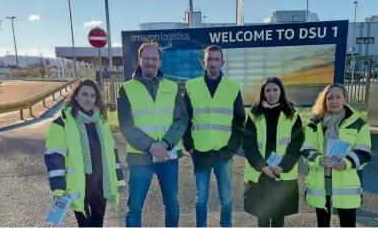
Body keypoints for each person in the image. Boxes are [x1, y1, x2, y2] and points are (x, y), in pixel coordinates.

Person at [117, 42, 188, 227]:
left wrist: (165, 144)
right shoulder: (127, 88)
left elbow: (181, 119)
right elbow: (125, 124)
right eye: (146, 58)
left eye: (154, 59)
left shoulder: (172, 87)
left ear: (160, 61)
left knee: (172, 205)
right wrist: (151, 146)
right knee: (135, 208)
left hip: (168, 156)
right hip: (140, 157)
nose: (150, 62)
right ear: (139, 60)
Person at [44, 79, 125, 227]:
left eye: (92, 96)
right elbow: (54, 158)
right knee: (85, 224)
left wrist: (119, 178)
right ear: (75, 96)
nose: (89, 99)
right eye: (85, 94)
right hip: (78, 183)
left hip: (100, 182)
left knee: (98, 223)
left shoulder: (101, 121)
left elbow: (111, 151)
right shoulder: (61, 123)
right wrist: (58, 187)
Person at [183, 45, 246, 227]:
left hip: (224, 153)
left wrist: (232, 148)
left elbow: (239, 120)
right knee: (201, 198)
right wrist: (190, 146)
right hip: (200, 152)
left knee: (226, 199)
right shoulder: (192, 86)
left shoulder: (232, 87)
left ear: (222, 62)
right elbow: (184, 119)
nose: (213, 63)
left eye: (216, 59)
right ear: (204, 62)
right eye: (209, 59)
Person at [300, 83, 372, 227]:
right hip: (321, 180)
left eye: (338, 97)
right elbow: (306, 149)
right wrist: (319, 159)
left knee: (348, 223)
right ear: (324, 101)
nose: (334, 101)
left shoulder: (358, 123)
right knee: (322, 223)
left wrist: (348, 162)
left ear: (345, 98)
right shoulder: (314, 123)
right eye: (330, 98)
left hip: (346, 180)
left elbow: (364, 150)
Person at [242, 77, 304, 227]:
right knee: (262, 216)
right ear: (263, 93)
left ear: (281, 91)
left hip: (281, 172)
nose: (271, 94)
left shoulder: (292, 115)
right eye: (268, 90)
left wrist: (282, 166)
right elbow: (248, 144)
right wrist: (262, 166)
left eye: (275, 90)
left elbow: (296, 145)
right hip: (261, 172)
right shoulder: (254, 114)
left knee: (278, 216)